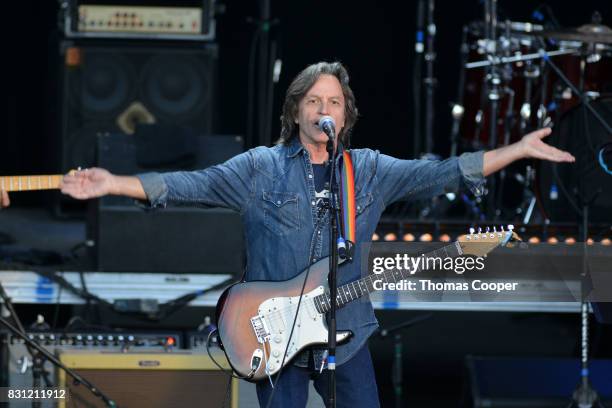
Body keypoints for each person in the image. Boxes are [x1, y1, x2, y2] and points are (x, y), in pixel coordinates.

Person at [5, 62, 575, 407]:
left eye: (333, 102)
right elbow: (187, 184)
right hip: (273, 335)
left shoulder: (368, 170)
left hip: (346, 334)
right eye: (313, 101)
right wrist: (113, 183)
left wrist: (518, 149)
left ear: (344, 115)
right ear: (296, 110)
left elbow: (446, 171)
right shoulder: (258, 168)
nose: (323, 109)